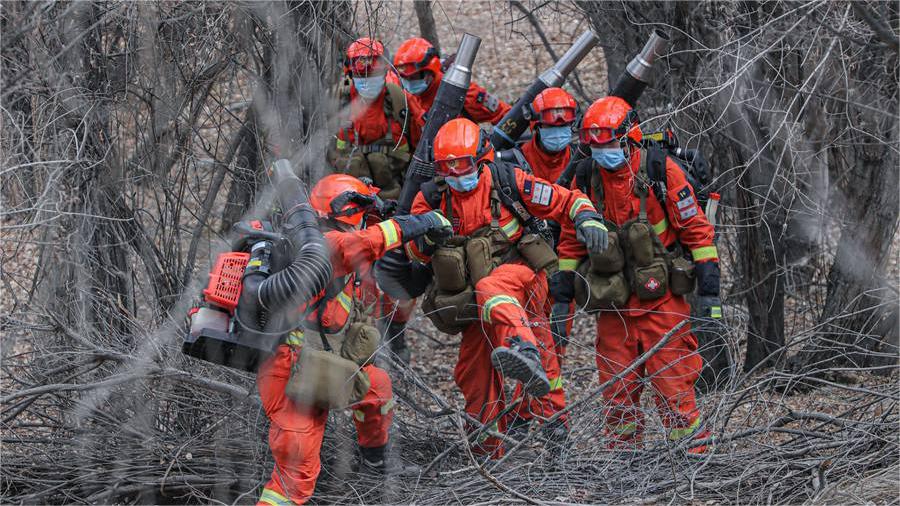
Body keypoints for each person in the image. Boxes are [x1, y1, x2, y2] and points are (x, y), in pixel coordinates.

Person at [404, 118, 607, 457]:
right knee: (474, 376)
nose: (455, 174)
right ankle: (488, 455)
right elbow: (412, 252)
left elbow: (566, 199)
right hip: (475, 302)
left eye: (463, 164)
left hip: (522, 279)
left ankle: (554, 432)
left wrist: (587, 217)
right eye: (446, 167)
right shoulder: (431, 198)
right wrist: (426, 237)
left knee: (503, 300)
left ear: (481, 158)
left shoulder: (508, 181)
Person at [257, 174, 451, 505]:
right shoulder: (326, 247)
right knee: (297, 473)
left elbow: (370, 230)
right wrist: (424, 221)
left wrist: (384, 207)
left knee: (376, 388)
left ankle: (376, 463)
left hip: (317, 361)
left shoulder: (324, 239)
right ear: (349, 214)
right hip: (290, 374)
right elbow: (371, 240)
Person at [555, 96, 721, 452]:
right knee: (617, 395)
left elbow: (697, 231)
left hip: (662, 305)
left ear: (629, 138)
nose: (603, 151)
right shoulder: (585, 179)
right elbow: (570, 242)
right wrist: (561, 298)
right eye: (595, 145)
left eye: (609, 143)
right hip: (614, 307)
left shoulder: (661, 170)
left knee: (674, 386)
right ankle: (625, 469)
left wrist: (709, 293)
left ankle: (695, 461)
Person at [327, 37, 411, 200]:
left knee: (377, 161)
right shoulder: (338, 98)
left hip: (390, 187)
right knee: (354, 163)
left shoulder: (395, 97)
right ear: (349, 72)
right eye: (361, 75)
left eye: (373, 74)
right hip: (348, 189)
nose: (367, 80)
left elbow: (412, 139)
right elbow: (325, 142)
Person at [392, 37, 511, 147]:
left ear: (429, 71)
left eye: (413, 77)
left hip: (465, 160)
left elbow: (505, 115)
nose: (409, 82)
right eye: (404, 78)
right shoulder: (407, 98)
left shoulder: (460, 92)